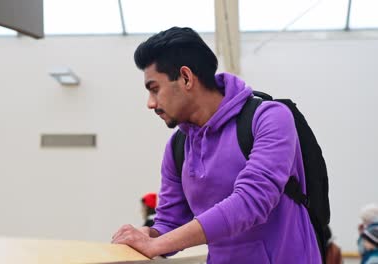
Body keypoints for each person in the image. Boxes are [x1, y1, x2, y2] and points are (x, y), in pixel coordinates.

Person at [111, 26, 320, 263]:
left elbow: (252, 201)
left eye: (155, 89)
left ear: (186, 78)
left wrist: (156, 243)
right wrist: (149, 234)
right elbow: (170, 222)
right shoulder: (177, 148)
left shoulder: (269, 117)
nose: (150, 103)